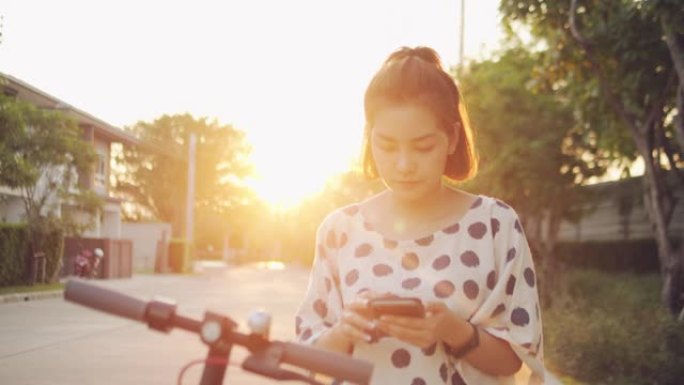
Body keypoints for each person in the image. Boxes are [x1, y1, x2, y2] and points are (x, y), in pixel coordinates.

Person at [295, 46, 544, 385]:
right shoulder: (340, 230)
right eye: (387, 145)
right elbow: (312, 363)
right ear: (369, 139)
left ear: (452, 138)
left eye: (422, 146)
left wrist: (453, 331)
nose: (403, 164)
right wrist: (344, 332)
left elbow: (516, 360)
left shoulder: (494, 224)